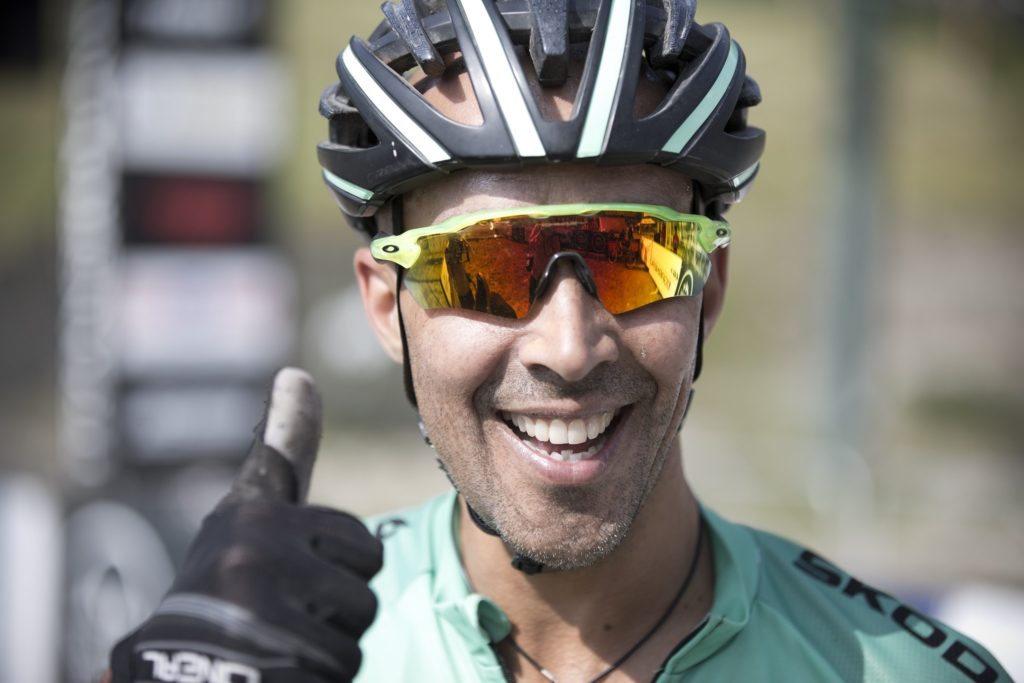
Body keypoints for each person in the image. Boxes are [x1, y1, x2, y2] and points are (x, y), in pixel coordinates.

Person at [107, 1, 1010, 681]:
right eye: (482, 266)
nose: (569, 348)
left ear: (708, 288)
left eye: (638, 255)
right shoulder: (274, 651)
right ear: (387, 306)